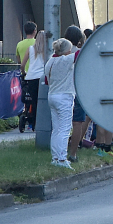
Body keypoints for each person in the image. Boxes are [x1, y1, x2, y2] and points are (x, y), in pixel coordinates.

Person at [45, 38, 77, 169]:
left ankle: (55, 157)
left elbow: (47, 81)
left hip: (52, 95)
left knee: (56, 129)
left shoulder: (50, 61)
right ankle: (62, 159)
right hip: (64, 96)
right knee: (65, 129)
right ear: (66, 51)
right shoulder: (66, 60)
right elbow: (81, 53)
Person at [63, 26, 89, 162]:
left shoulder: (61, 52)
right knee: (77, 122)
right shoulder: (80, 53)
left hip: (62, 90)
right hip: (77, 89)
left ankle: (59, 152)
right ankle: (73, 153)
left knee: (61, 123)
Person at [20, 30, 47, 132]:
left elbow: (22, 65)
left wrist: (24, 72)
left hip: (31, 77)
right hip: (42, 77)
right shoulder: (47, 50)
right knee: (43, 102)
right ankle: (41, 124)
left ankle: (34, 124)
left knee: (34, 101)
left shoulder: (30, 49)